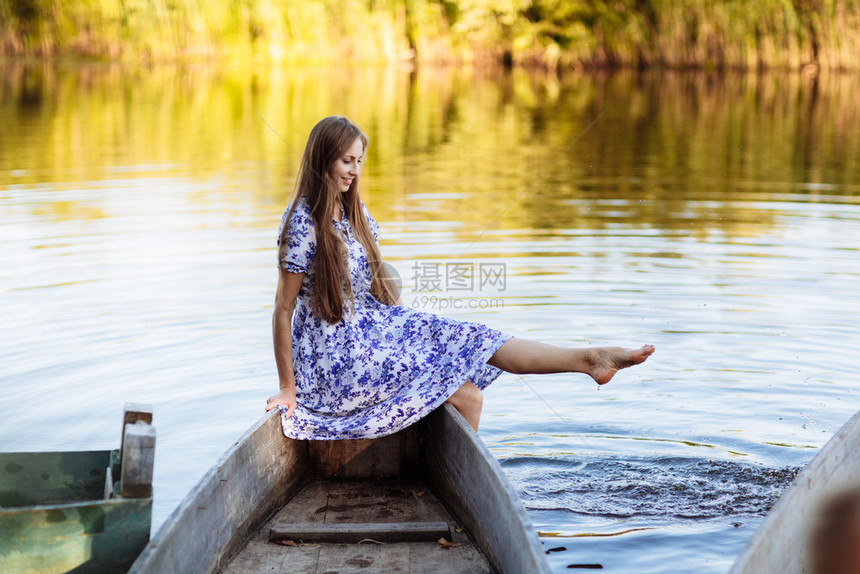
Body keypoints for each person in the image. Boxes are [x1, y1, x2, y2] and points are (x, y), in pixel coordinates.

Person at [265, 115, 654, 439]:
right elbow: (283, 310)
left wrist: (400, 318)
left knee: (471, 336)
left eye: (359, 161)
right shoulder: (303, 223)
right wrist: (288, 389)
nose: (355, 171)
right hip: (333, 357)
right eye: (346, 161)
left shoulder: (354, 212)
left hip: (373, 327)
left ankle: (588, 359)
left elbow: (378, 287)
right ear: (322, 160)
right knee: (466, 393)